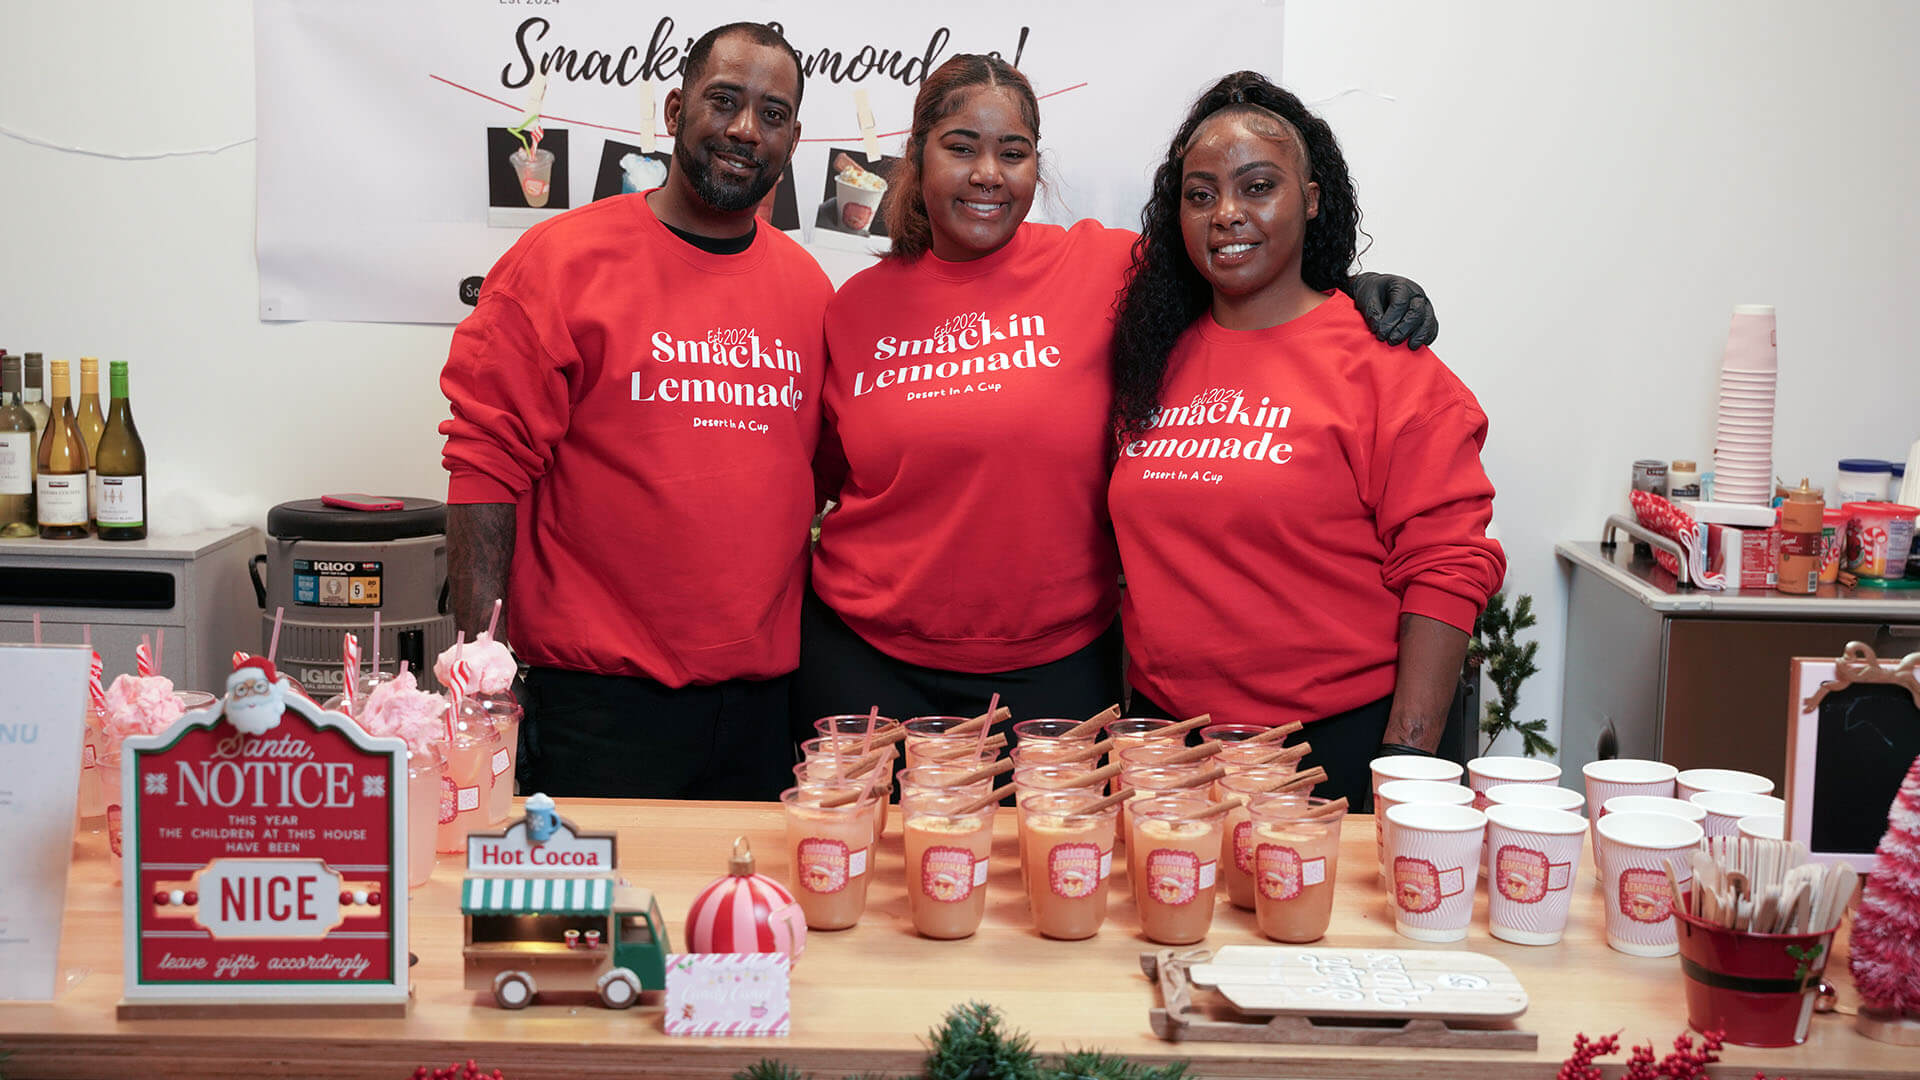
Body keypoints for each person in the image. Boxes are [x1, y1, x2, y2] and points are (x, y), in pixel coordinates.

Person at [793, 56, 1439, 743]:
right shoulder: (855, 306)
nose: (988, 173)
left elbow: (1241, 266)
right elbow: (827, 470)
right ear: (916, 156)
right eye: (960, 148)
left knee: (1054, 856)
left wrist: (1356, 287)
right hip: (862, 660)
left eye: (1012, 152)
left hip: (1054, 673)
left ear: (1036, 167)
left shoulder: (1104, 267)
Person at [439, 23, 830, 800]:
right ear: (678, 106)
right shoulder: (559, 262)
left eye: (773, 113)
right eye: (724, 100)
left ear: (792, 140)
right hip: (594, 706)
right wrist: (482, 669)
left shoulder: (809, 288)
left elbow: (819, 479)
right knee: (592, 924)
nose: (746, 129)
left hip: (763, 709)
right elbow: (484, 464)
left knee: (741, 919)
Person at [1106, 71, 1506, 807]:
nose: (1227, 214)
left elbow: (1448, 567)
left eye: (1258, 187)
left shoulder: (1385, 363)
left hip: (1334, 750)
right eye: (1200, 195)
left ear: (1312, 198)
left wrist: (1406, 763)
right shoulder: (1149, 358)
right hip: (1170, 749)